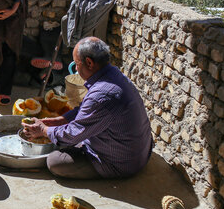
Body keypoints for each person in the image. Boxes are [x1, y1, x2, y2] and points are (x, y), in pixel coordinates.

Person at [22, 37, 153, 179]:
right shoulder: (112, 75)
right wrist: (58, 121)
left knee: (55, 161)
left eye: (77, 64)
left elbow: (72, 135)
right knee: (62, 135)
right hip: (139, 152)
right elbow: (84, 109)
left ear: (89, 63)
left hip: (121, 163)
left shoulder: (102, 95)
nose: (76, 69)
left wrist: (43, 130)